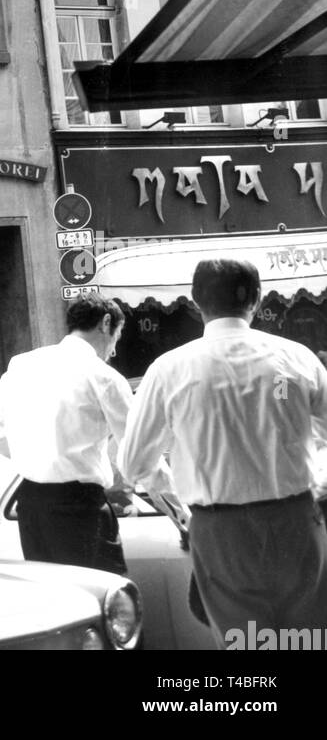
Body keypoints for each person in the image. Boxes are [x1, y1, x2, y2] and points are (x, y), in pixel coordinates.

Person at [118, 258, 327, 648]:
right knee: (308, 640)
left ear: (196, 301)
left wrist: (174, 493)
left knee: (247, 645)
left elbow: (133, 463)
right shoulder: (297, 358)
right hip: (297, 520)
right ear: (257, 298)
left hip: (221, 531)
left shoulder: (168, 370)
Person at [0, 294, 132, 574]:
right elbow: (139, 453)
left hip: (31, 505)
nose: (114, 350)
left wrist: (39, 456)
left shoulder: (22, 364)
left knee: (54, 605)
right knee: (104, 602)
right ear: (106, 323)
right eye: (117, 337)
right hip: (81, 507)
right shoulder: (103, 376)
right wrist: (180, 514)